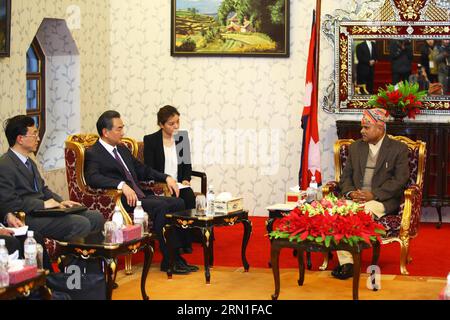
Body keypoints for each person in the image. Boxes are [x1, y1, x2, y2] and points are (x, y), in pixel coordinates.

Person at [84, 110, 197, 274]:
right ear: (105, 132)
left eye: (123, 128)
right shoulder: (94, 153)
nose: (123, 132)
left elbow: (142, 169)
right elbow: (92, 178)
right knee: (162, 207)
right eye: (119, 129)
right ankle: (169, 260)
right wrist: (120, 184)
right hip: (122, 201)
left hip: (140, 195)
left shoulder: (121, 149)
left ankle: (176, 256)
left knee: (178, 202)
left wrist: (166, 177)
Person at [0, 115, 104, 243]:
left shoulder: (29, 162)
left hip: (43, 212)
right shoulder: (5, 165)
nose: (38, 139)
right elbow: (10, 203)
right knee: (80, 223)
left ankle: (94, 259)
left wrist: (61, 202)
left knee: (95, 217)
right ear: (20, 139)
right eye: (34, 134)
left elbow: (43, 189)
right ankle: (75, 260)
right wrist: (43, 204)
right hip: (29, 216)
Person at [332, 108, 410, 280]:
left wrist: (373, 194)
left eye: (366, 127)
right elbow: (345, 178)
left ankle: (350, 261)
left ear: (380, 128)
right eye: (362, 127)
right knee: (340, 213)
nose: (362, 131)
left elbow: (400, 181)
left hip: (381, 200)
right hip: (355, 198)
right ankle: (347, 263)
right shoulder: (355, 148)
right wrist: (351, 193)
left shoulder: (398, 149)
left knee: (360, 213)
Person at [143, 105, 195, 210]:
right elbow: (149, 168)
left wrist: (185, 179)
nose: (176, 126)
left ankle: (189, 226)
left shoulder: (181, 138)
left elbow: (186, 165)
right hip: (161, 185)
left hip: (179, 184)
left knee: (188, 195)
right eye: (171, 124)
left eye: (177, 122)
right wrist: (165, 180)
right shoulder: (151, 140)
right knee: (177, 200)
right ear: (161, 125)